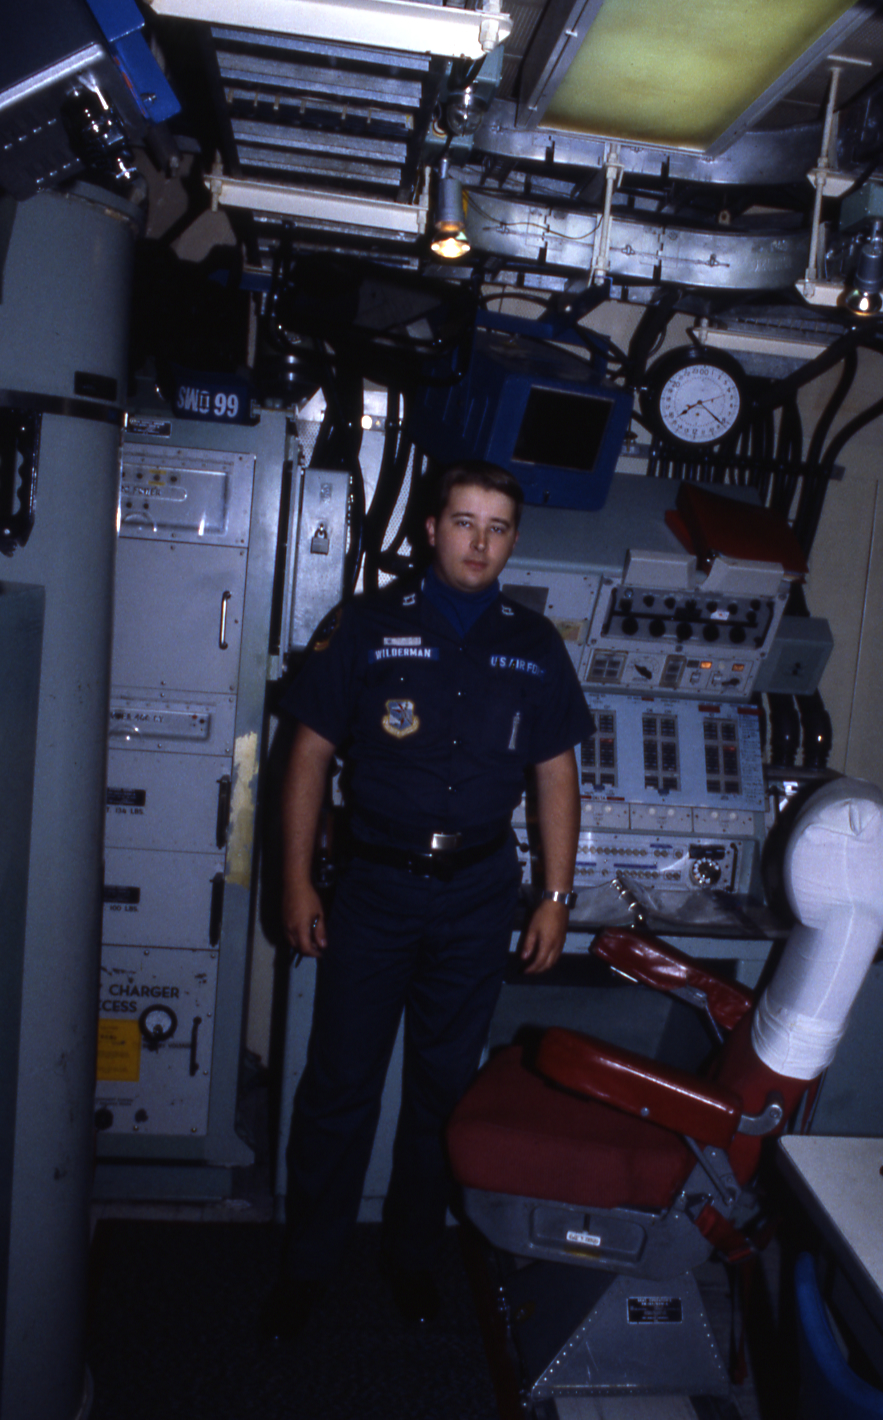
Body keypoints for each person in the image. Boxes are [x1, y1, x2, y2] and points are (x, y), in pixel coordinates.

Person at [262, 459, 594, 1340]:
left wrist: (554, 895)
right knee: (339, 1086)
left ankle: (412, 1256)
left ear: (512, 540)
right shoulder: (365, 627)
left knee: (444, 1091)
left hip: (478, 893)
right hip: (374, 886)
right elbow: (306, 759)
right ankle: (307, 1266)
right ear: (428, 530)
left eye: (496, 528)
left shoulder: (535, 642)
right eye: (462, 522)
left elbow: (555, 775)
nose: (478, 542)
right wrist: (294, 880)